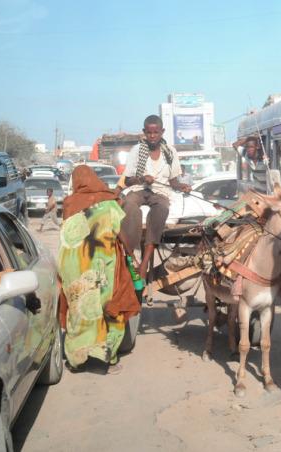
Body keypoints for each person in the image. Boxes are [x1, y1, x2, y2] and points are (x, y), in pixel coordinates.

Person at [57, 165, 140, 374]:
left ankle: (76, 360)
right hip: (102, 263)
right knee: (111, 306)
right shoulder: (109, 201)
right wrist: (131, 256)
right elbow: (120, 234)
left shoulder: (69, 203)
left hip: (72, 265)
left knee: (78, 310)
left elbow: (67, 234)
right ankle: (108, 358)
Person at [119, 115, 191, 280]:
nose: (152, 136)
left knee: (161, 208)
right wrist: (142, 179)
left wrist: (183, 187)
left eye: (156, 132)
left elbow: (173, 182)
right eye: (149, 133)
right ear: (144, 132)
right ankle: (132, 256)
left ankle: (144, 263)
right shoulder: (136, 151)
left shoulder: (170, 151)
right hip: (139, 188)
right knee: (129, 205)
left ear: (162, 132)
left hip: (159, 192)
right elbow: (128, 180)